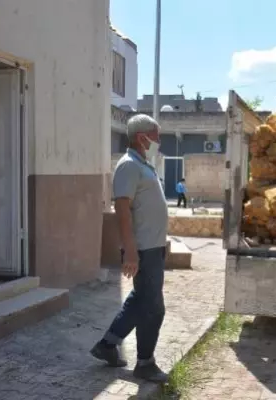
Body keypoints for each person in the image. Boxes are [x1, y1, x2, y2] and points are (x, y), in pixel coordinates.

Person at [90, 114, 169, 383]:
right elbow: (122, 210)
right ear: (141, 137)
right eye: (155, 135)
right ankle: (145, 363)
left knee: (139, 301)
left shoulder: (142, 164)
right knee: (154, 308)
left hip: (153, 248)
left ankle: (107, 345)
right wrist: (131, 251)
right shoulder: (128, 166)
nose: (158, 140)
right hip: (143, 250)